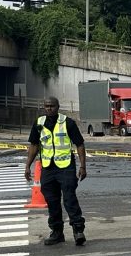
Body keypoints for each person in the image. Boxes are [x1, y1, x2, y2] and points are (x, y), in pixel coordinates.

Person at [25, 96, 87, 246]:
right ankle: (57, 232)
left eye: (52, 106)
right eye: (46, 106)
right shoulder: (39, 123)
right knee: (52, 202)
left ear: (58, 107)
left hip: (66, 167)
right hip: (48, 168)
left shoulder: (67, 123)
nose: (49, 108)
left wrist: (83, 166)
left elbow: (80, 144)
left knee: (69, 199)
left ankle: (78, 230)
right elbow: (34, 145)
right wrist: (28, 165)